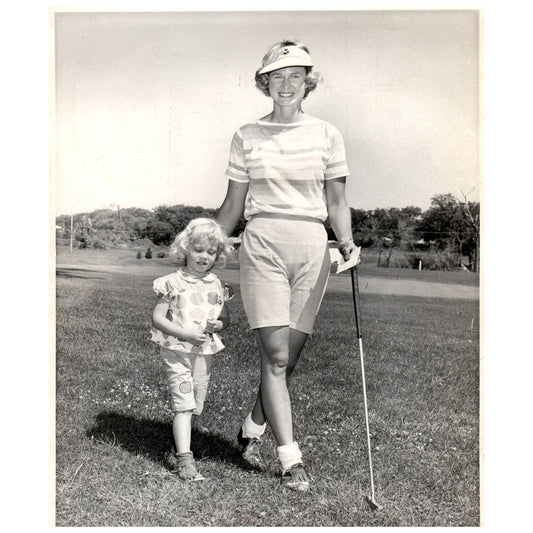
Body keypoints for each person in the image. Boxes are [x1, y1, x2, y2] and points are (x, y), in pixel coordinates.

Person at [216, 39, 357, 491]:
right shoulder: (246, 135)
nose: (286, 84)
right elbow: (234, 203)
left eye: (296, 76)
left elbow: (336, 199)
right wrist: (206, 238)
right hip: (262, 243)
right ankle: (290, 458)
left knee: (287, 359)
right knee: (275, 356)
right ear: (265, 83)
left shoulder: (327, 134)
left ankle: (252, 428)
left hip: (313, 246)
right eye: (277, 76)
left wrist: (348, 240)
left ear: (308, 82)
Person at [150, 218, 233, 481]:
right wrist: (185, 333)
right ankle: (185, 459)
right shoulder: (172, 283)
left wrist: (219, 323)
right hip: (177, 351)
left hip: (204, 353)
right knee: (184, 404)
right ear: (186, 249)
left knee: (197, 402)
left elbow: (226, 317)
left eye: (211, 252)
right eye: (198, 250)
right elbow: (158, 318)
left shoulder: (216, 284)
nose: (204, 257)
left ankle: (185, 434)